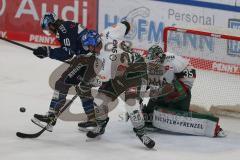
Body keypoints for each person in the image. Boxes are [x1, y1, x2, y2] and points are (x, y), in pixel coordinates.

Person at [79, 21, 155, 149]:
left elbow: (102, 79)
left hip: (135, 74)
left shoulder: (104, 61)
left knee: (131, 104)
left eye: (89, 47)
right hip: (119, 75)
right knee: (98, 101)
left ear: (94, 44)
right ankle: (101, 126)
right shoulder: (108, 33)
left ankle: (142, 134)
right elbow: (126, 24)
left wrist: (87, 82)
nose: (89, 49)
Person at [31, 13, 97, 132]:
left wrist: (47, 52)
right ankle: (93, 121)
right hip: (90, 59)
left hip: (87, 59)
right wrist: (46, 52)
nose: (49, 32)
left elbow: (67, 53)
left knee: (62, 83)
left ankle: (51, 117)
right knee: (83, 89)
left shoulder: (64, 29)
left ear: (51, 24)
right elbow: (71, 51)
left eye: (47, 28)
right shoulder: (65, 27)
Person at [142, 45, 226, 137]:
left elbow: (162, 87)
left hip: (184, 81)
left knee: (168, 99)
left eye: (153, 62)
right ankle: (151, 114)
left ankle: (212, 126)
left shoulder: (168, 65)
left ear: (160, 58)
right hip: (176, 78)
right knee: (160, 94)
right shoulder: (159, 62)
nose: (151, 64)